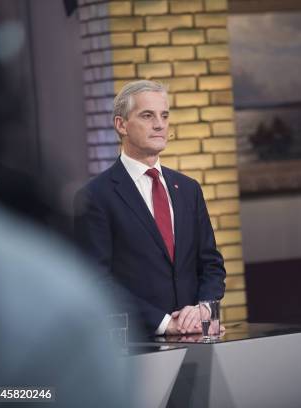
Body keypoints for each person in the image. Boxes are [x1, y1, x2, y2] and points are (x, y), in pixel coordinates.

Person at [75, 80, 226, 337]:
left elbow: (211, 264)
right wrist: (166, 323)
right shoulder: (95, 196)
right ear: (121, 125)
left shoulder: (189, 189)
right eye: (147, 115)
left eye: (164, 115)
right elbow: (97, 281)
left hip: (197, 336)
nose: (159, 124)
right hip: (137, 346)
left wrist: (203, 309)